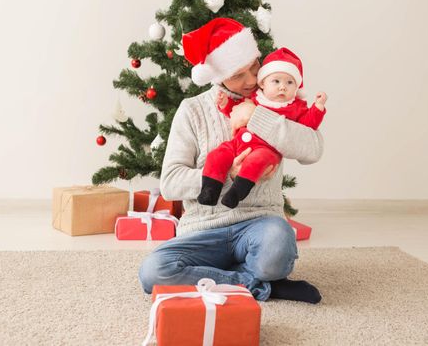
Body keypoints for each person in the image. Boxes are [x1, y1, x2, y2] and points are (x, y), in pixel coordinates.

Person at [138, 18, 324, 303]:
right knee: (153, 272)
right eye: (238, 75)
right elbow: (171, 183)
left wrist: (257, 117)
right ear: (218, 75)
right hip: (201, 231)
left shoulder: (279, 104)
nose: (251, 80)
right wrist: (229, 174)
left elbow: (313, 149)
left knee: (278, 247)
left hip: (259, 224)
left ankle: (221, 277)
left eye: (254, 67)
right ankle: (258, 284)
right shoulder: (193, 110)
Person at [198, 47, 327, 208]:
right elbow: (235, 110)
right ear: (263, 83)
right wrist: (225, 104)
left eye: (289, 82)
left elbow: (309, 126)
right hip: (237, 145)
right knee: (217, 155)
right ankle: (209, 190)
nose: (282, 87)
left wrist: (317, 108)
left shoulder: (296, 106)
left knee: (256, 162)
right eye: (276, 81)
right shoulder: (257, 97)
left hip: (265, 151)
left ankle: (236, 193)